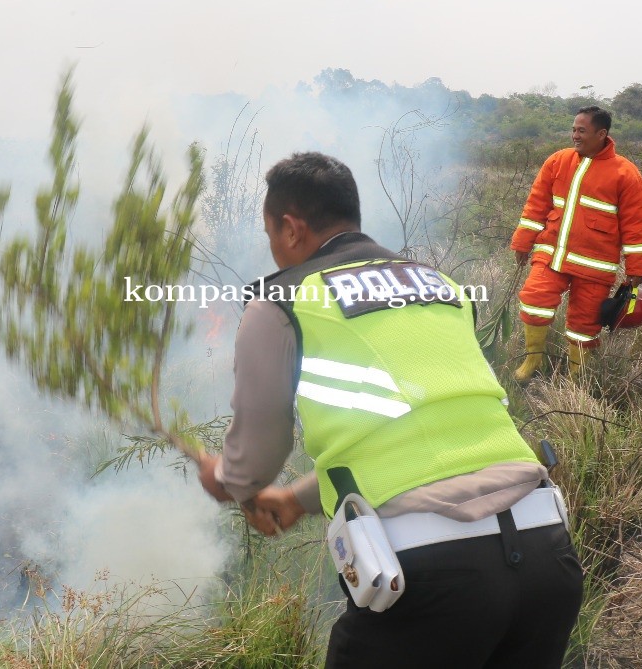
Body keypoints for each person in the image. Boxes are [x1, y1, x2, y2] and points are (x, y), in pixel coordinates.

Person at [197, 152, 583, 669]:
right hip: (547, 557)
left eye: (270, 235)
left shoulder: (284, 302)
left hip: (433, 575)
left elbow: (258, 452)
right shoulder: (441, 287)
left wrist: (230, 479)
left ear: (290, 228)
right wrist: (296, 498)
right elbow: (416, 429)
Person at [509, 106, 642, 382]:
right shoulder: (557, 161)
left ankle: (576, 378)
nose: (575, 135)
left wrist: (637, 266)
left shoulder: (626, 173)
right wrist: (522, 242)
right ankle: (532, 362)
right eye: (573, 129)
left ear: (602, 134)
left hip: (595, 265)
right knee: (535, 300)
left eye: (581, 131)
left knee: (584, 325)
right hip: (551, 255)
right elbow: (536, 205)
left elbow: (635, 224)